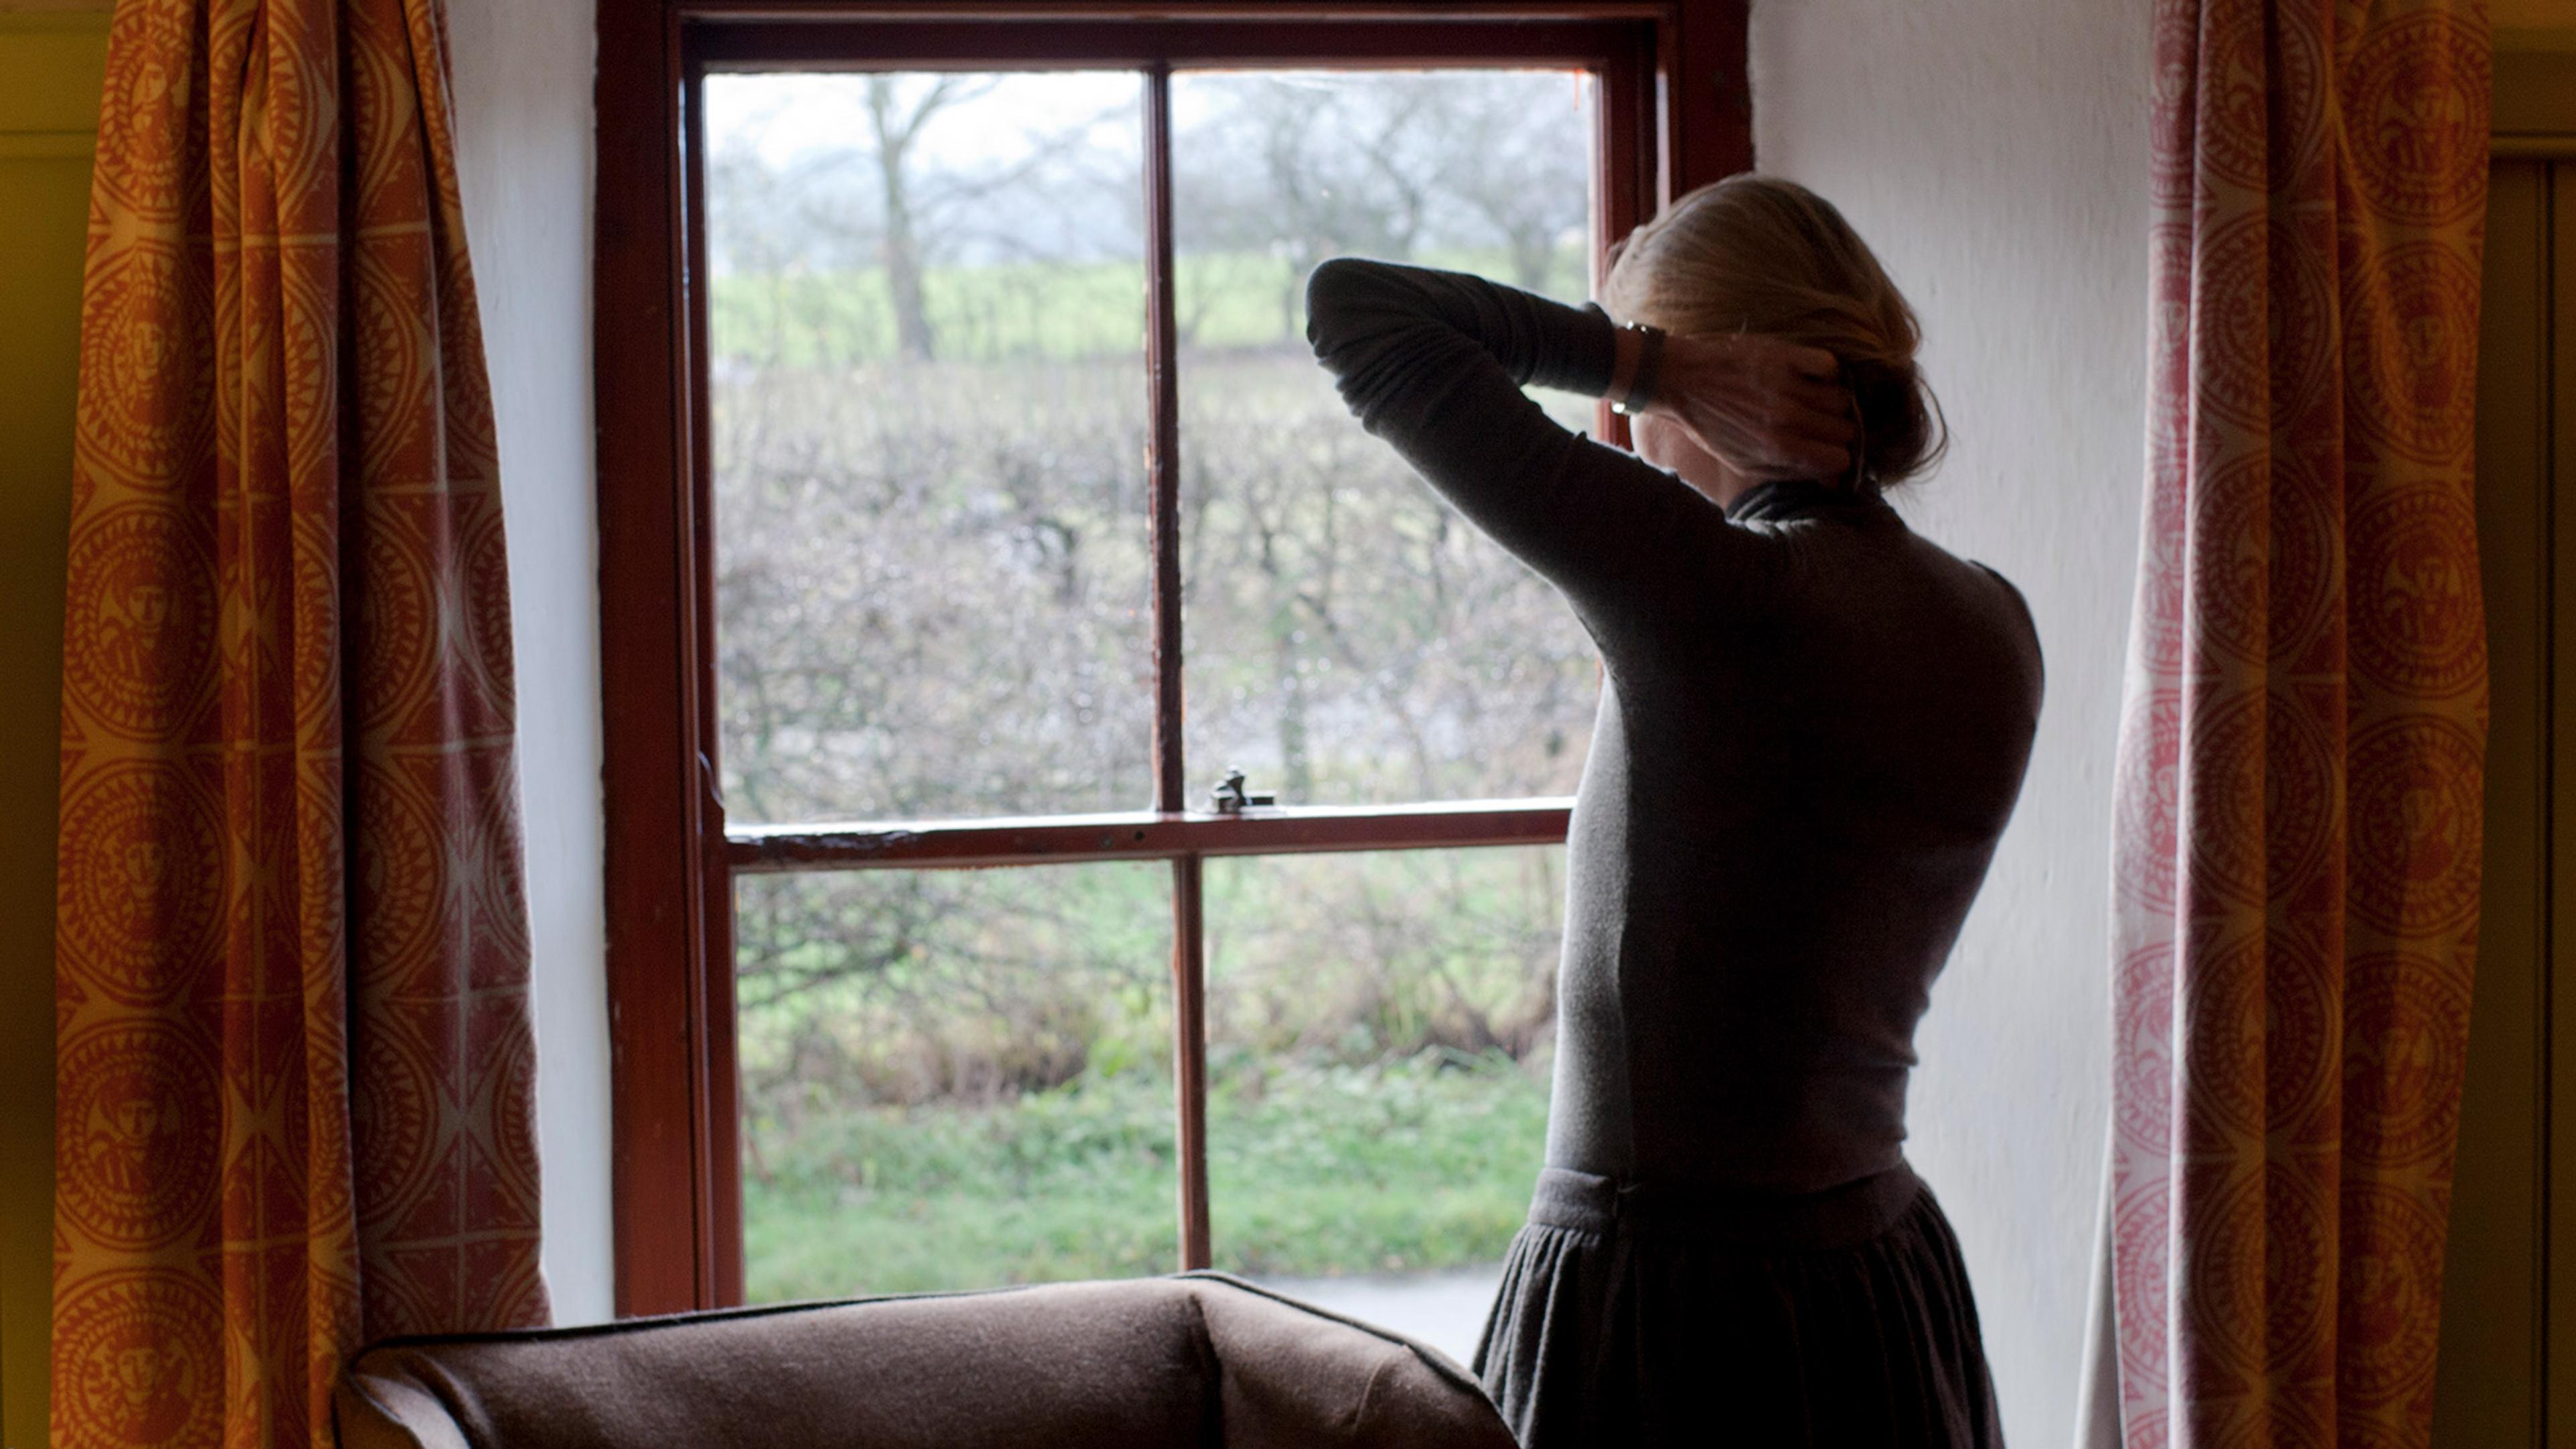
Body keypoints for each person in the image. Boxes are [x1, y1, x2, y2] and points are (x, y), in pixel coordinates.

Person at [1304, 174, 2041, 1447]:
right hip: (1882, 1283)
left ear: (1720, 374)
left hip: (1676, 1310)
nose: (1624, 418)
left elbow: (1356, 311)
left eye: (1647, 384)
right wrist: (1669, 366)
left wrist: (1648, 363)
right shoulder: (1992, 617)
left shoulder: (1721, 595)